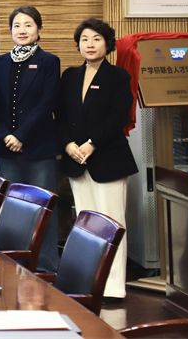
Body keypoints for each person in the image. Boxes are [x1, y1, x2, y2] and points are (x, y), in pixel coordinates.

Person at [59, 17, 137, 299]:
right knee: (85, 224)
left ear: (107, 44)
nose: (90, 45)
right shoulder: (69, 76)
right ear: (78, 45)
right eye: (84, 40)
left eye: (96, 39)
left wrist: (92, 144)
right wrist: (68, 144)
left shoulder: (118, 77)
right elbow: (60, 115)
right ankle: (86, 282)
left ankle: (113, 286)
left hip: (108, 159)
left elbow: (118, 117)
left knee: (112, 224)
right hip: (76, 160)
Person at [0, 5, 61, 272]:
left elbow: (46, 103)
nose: (22, 30)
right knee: (12, 209)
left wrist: (20, 135)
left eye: (28, 25)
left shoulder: (49, 62)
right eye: (17, 25)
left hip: (39, 148)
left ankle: (46, 267)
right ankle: (14, 264)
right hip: (7, 148)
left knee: (43, 208)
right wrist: (5, 135)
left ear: (39, 29)